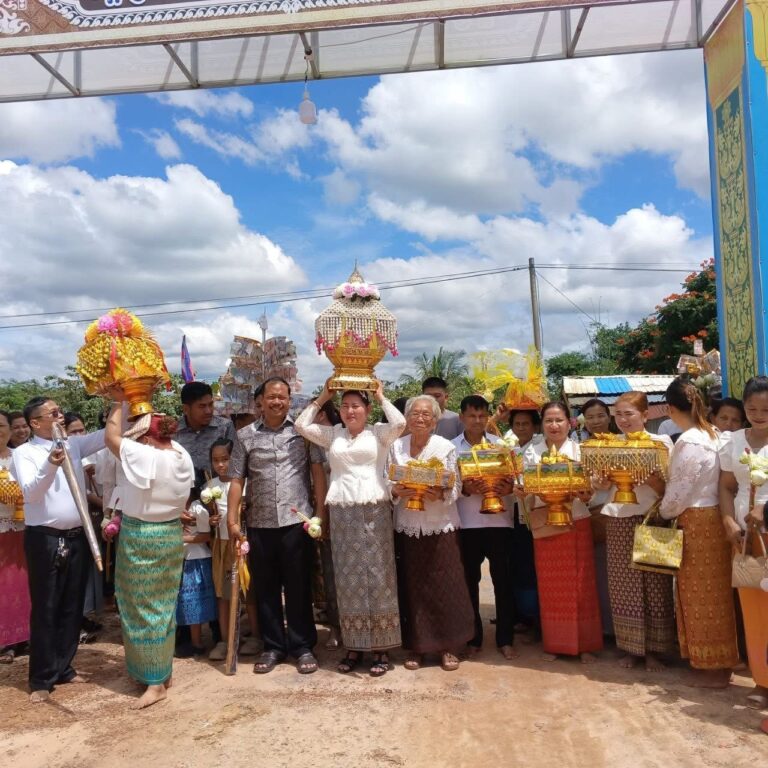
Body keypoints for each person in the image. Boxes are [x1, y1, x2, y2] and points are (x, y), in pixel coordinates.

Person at [295, 380, 405, 676]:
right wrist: (323, 397)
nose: (350, 411)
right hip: (342, 511)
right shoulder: (333, 435)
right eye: (344, 406)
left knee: (379, 574)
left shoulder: (379, 433)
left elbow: (400, 423)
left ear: (367, 410)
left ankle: (381, 646)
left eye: (356, 405)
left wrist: (380, 396)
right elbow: (301, 425)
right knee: (346, 577)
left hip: (375, 509)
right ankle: (354, 646)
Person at [227, 377, 325, 675]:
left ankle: (302, 646)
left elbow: (317, 473)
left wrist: (321, 513)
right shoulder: (245, 436)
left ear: (289, 400)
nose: (277, 402)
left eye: (282, 397)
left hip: (297, 522)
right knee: (266, 588)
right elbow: (236, 479)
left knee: (298, 586)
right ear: (261, 401)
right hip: (260, 523)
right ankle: (273, 647)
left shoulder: (303, 432)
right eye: (271, 397)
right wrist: (232, 520)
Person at [11, 397, 105, 702]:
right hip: (45, 539)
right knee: (47, 606)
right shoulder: (24, 453)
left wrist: (122, 400)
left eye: (60, 411)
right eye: (53, 413)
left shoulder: (73, 444)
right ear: (36, 423)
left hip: (77, 536)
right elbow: (30, 493)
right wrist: (51, 464)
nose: (60, 416)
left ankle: (64, 667)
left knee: (71, 605)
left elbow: (106, 435)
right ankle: (41, 677)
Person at [104, 404, 194, 709]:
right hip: (169, 534)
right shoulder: (181, 454)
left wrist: (118, 402)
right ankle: (162, 672)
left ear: (144, 439)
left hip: (143, 537)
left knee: (143, 608)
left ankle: (155, 682)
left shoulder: (148, 455)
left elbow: (111, 438)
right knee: (163, 606)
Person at [660, 377, 738, 687]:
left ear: (670, 408)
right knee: (716, 595)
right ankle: (720, 662)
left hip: (697, 521)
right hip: (715, 518)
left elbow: (678, 493)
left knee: (700, 597)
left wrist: (663, 511)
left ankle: (711, 667)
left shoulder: (690, 441)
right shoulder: (713, 434)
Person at [388, 394, 474, 671]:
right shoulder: (396, 446)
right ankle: (417, 647)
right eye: (415, 413)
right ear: (407, 418)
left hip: (440, 525)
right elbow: (387, 479)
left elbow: (455, 485)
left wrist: (441, 494)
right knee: (413, 585)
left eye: (426, 414)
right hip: (408, 524)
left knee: (446, 584)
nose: (420, 418)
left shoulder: (444, 447)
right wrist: (395, 490)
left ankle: (450, 646)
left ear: (435, 421)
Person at [518, 401, 602, 663]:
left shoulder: (581, 450)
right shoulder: (531, 452)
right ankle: (556, 643)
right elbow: (523, 485)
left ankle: (585, 644)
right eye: (548, 421)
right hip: (546, 524)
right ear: (542, 424)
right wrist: (524, 491)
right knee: (550, 586)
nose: (554, 426)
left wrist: (586, 494)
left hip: (576, 520)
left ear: (570, 423)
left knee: (581, 584)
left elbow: (592, 486)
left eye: (559, 420)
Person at [599, 391, 675, 671]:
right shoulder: (609, 445)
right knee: (623, 585)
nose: (623, 420)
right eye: (618, 414)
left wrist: (650, 479)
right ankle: (631, 648)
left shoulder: (660, 443)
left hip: (652, 517)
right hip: (619, 518)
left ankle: (655, 650)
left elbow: (671, 486)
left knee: (656, 583)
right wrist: (603, 480)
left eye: (629, 414)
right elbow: (600, 486)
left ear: (645, 415)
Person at [453, 395, 517, 660]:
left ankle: (505, 639)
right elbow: (449, 484)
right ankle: (474, 638)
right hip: (466, 523)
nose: (477, 421)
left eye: (482, 416)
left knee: (504, 581)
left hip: (500, 522)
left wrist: (508, 487)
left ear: (488, 417)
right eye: (472, 416)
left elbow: (516, 479)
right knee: (469, 582)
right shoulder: (451, 448)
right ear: (462, 418)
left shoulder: (501, 446)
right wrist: (465, 488)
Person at [720, 376, 768, 709]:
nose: (759, 415)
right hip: (745, 536)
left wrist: (764, 509)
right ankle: (763, 681)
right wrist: (727, 520)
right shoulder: (733, 442)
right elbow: (726, 486)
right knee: (753, 610)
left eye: (766, 409)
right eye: (752, 408)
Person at [574, 398, 614, 639]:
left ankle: (619, 629)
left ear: (609, 417)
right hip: (593, 516)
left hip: (619, 515)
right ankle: (605, 629)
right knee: (598, 574)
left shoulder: (622, 444)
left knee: (619, 576)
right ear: (584, 421)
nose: (596, 421)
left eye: (600, 415)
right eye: (590, 417)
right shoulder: (579, 449)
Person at [65, 412, 104, 641]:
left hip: (97, 515)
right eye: (74, 431)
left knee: (91, 568)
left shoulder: (90, 449)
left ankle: (87, 614)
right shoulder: (65, 452)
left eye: (82, 430)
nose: (79, 435)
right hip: (78, 516)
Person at [506, 409, 542, 633]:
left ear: (535, 426)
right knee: (519, 565)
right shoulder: (510, 451)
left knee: (533, 566)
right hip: (516, 515)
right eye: (517, 424)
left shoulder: (540, 449)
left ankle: (536, 617)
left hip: (536, 513)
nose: (521, 428)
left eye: (525, 424)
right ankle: (523, 615)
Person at [0, 410, 30, 664]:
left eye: (1, 425)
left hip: (22, 529)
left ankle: (24, 636)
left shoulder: (20, 457)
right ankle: (4, 641)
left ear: (9, 429)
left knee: (21, 583)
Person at [177, 488, 217, 656]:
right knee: (186, 601)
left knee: (193, 601)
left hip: (197, 559)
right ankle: (192, 641)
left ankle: (197, 643)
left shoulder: (198, 508)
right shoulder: (175, 508)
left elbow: (205, 536)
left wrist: (179, 538)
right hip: (183, 559)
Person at [176, 381, 237, 491]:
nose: (208, 411)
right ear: (186, 409)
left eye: (210, 405)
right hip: (184, 494)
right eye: (202, 406)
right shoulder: (174, 432)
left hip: (221, 493)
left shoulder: (225, 427)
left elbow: (236, 464)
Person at [422, 376, 462, 441]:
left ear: (446, 397)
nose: (433, 399)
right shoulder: (414, 420)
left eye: (437, 396)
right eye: (428, 396)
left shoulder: (457, 420)